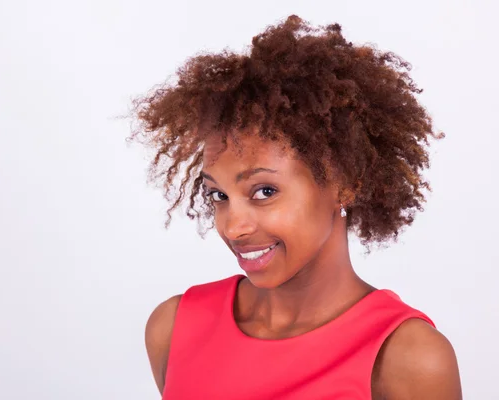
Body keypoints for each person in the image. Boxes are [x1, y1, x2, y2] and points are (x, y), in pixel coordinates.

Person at [129, 15, 462, 399]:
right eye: (218, 195)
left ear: (345, 182)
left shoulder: (405, 358)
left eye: (264, 191)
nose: (233, 228)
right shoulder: (174, 327)